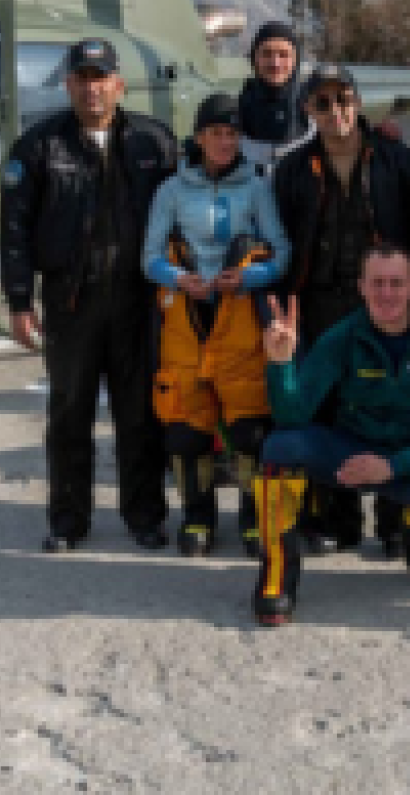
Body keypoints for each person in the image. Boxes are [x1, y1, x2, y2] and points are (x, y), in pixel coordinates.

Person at [0, 38, 177, 553]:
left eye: (101, 78)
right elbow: (14, 230)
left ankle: (145, 516)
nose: (91, 88)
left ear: (118, 84)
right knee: (70, 412)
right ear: (68, 84)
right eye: (82, 78)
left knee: (139, 413)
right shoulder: (37, 147)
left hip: (137, 301)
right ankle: (67, 520)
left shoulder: (154, 143)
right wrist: (18, 301)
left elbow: (185, 209)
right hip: (70, 302)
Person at [252, 242, 410, 626]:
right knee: (280, 446)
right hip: (351, 454)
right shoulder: (343, 337)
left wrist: (391, 465)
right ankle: (277, 573)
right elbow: (293, 414)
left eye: (395, 283)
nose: (386, 293)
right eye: (377, 283)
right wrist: (281, 363)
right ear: (362, 287)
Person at [273, 64, 410, 556]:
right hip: (318, 298)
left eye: (343, 100)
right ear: (308, 110)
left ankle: (395, 518)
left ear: (358, 103)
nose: (335, 111)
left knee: (391, 401)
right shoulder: (293, 169)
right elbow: (284, 237)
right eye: (322, 102)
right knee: (330, 405)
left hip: (381, 299)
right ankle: (335, 518)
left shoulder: (396, 160)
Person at [143, 93, 291, 557]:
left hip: (238, 312)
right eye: (215, 133)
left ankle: (251, 516)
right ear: (199, 136)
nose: (223, 142)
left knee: (248, 422)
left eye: (231, 134)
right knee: (186, 424)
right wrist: (178, 278)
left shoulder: (257, 187)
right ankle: (198, 517)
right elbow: (147, 257)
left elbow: (281, 251)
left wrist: (250, 277)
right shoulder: (171, 190)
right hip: (186, 314)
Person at [237, 21, 314, 175]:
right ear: (254, 59)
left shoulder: (314, 110)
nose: (275, 63)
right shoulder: (237, 113)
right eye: (266, 54)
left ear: (296, 61)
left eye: (284, 55)